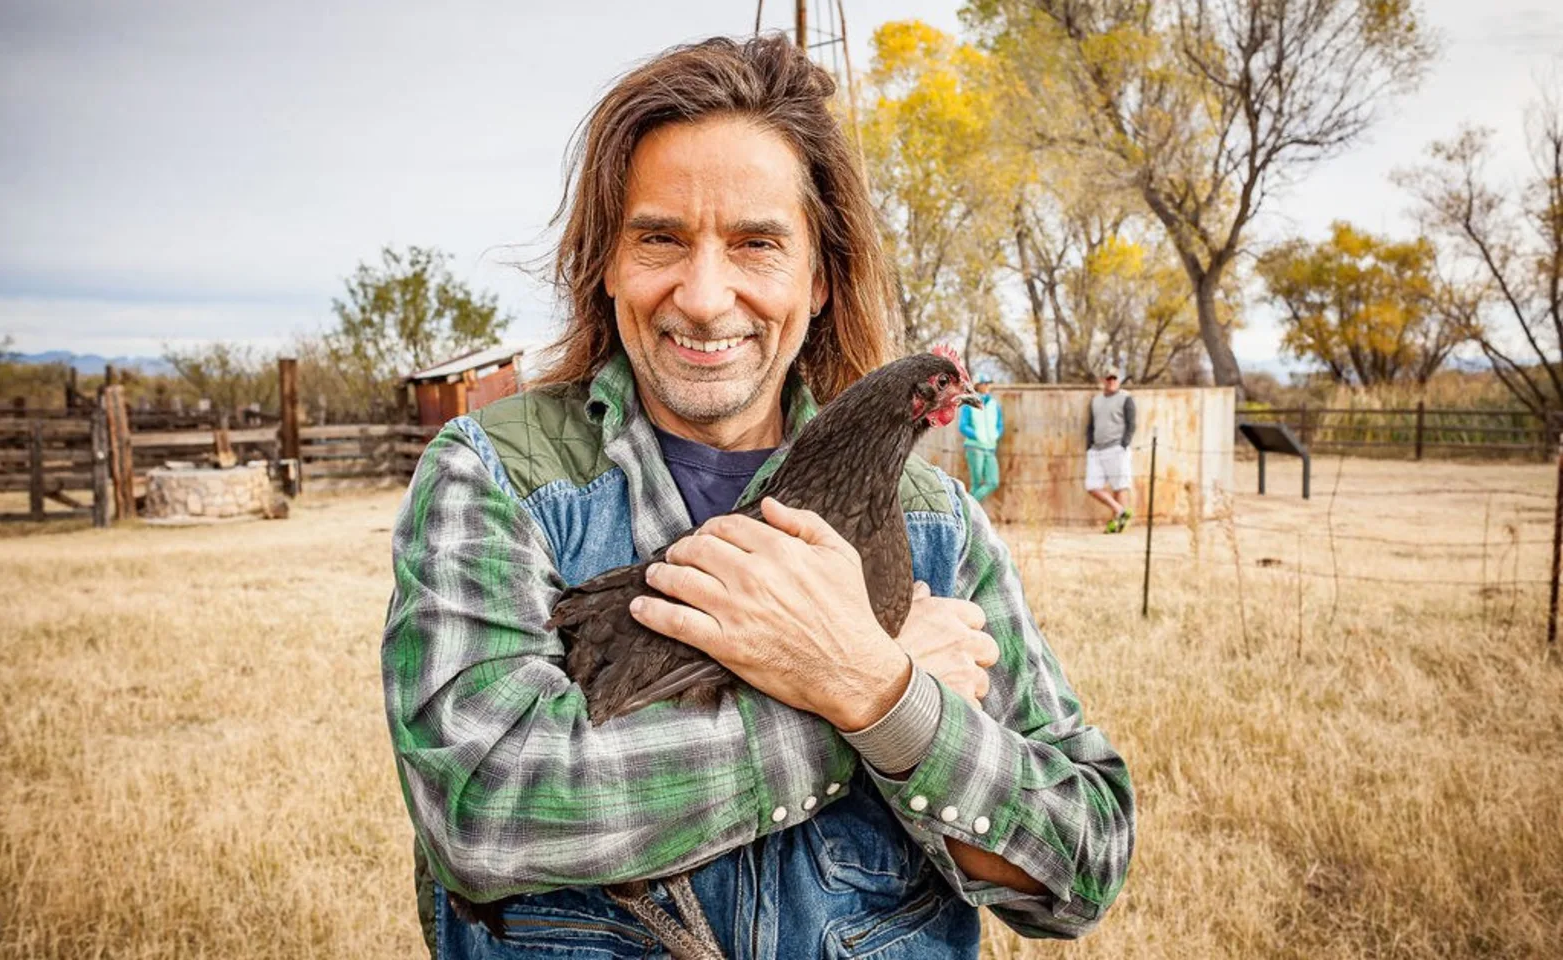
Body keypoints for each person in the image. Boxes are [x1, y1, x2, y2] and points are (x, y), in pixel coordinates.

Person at [382, 35, 1133, 960]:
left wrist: (882, 694)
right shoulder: (497, 478)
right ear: (607, 263)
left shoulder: (938, 529)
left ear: (819, 279)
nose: (704, 296)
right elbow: (484, 811)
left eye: (756, 244)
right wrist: (856, 697)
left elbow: (1083, 860)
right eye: (660, 237)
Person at [1085, 366, 1136, 533]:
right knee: (1092, 486)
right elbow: (1091, 425)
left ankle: (1118, 524)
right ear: (1103, 380)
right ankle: (1121, 511)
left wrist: (1124, 444)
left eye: (1114, 378)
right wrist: (1089, 445)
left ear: (1118, 380)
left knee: (1119, 486)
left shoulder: (1125, 398)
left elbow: (1131, 424)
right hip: (1097, 449)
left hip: (1116, 447)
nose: (1111, 381)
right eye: (1108, 378)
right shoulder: (1096, 400)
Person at [957, 375, 1003, 502]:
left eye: (989, 383)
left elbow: (999, 424)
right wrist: (977, 435)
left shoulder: (994, 404)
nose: (988, 386)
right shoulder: (969, 404)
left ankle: (967, 508)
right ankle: (968, 513)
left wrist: (996, 434)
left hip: (990, 448)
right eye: (985, 383)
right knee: (976, 483)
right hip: (974, 447)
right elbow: (963, 426)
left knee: (993, 482)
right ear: (978, 385)